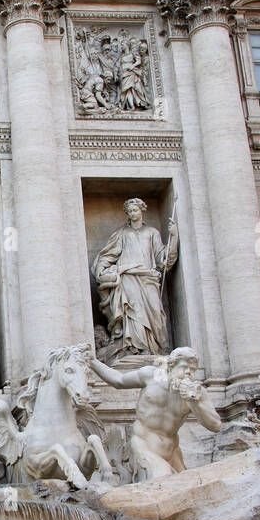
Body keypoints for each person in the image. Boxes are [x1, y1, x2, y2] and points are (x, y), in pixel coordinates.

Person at [87, 346, 222, 480]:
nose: (188, 373)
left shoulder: (197, 392)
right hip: (144, 446)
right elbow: (119, 380)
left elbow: (215, 425)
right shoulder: (151, 376)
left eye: (192, 370)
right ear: (172, 365)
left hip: (172, 452)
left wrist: (194, 402)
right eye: (184, 367)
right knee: (164, 483)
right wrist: (92, 361)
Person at [93, 197, 178, 360]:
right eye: (130, 211)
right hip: (128, 278)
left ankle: (154, 348)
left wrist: (174, 237)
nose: (133, 213)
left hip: (148, 279)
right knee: (134, 312)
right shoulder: (122, 234)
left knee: (155, 313)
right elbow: (108, 255)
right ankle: (134, 349)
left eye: (135, 210)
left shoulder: (152, 233)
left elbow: (163, 260)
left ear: (142, 211)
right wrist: (102, 270)